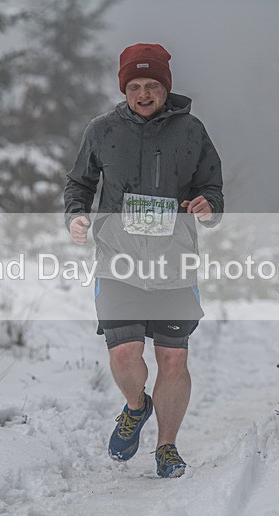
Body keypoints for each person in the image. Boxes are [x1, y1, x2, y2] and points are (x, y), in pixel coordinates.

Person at [63, 43, 224, 478]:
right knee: (125, 355)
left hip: (174, 263)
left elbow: (213, 189)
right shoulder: (101, 130)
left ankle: (167, 447)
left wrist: (208, 206)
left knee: (173, 360)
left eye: (152, 85)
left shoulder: (192, 131)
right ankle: (136, 406)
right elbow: (79, 184)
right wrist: (76, 218)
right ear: (124, 88)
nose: (144, 93)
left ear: (165, 88)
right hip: (118, 262)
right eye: (135, 86)